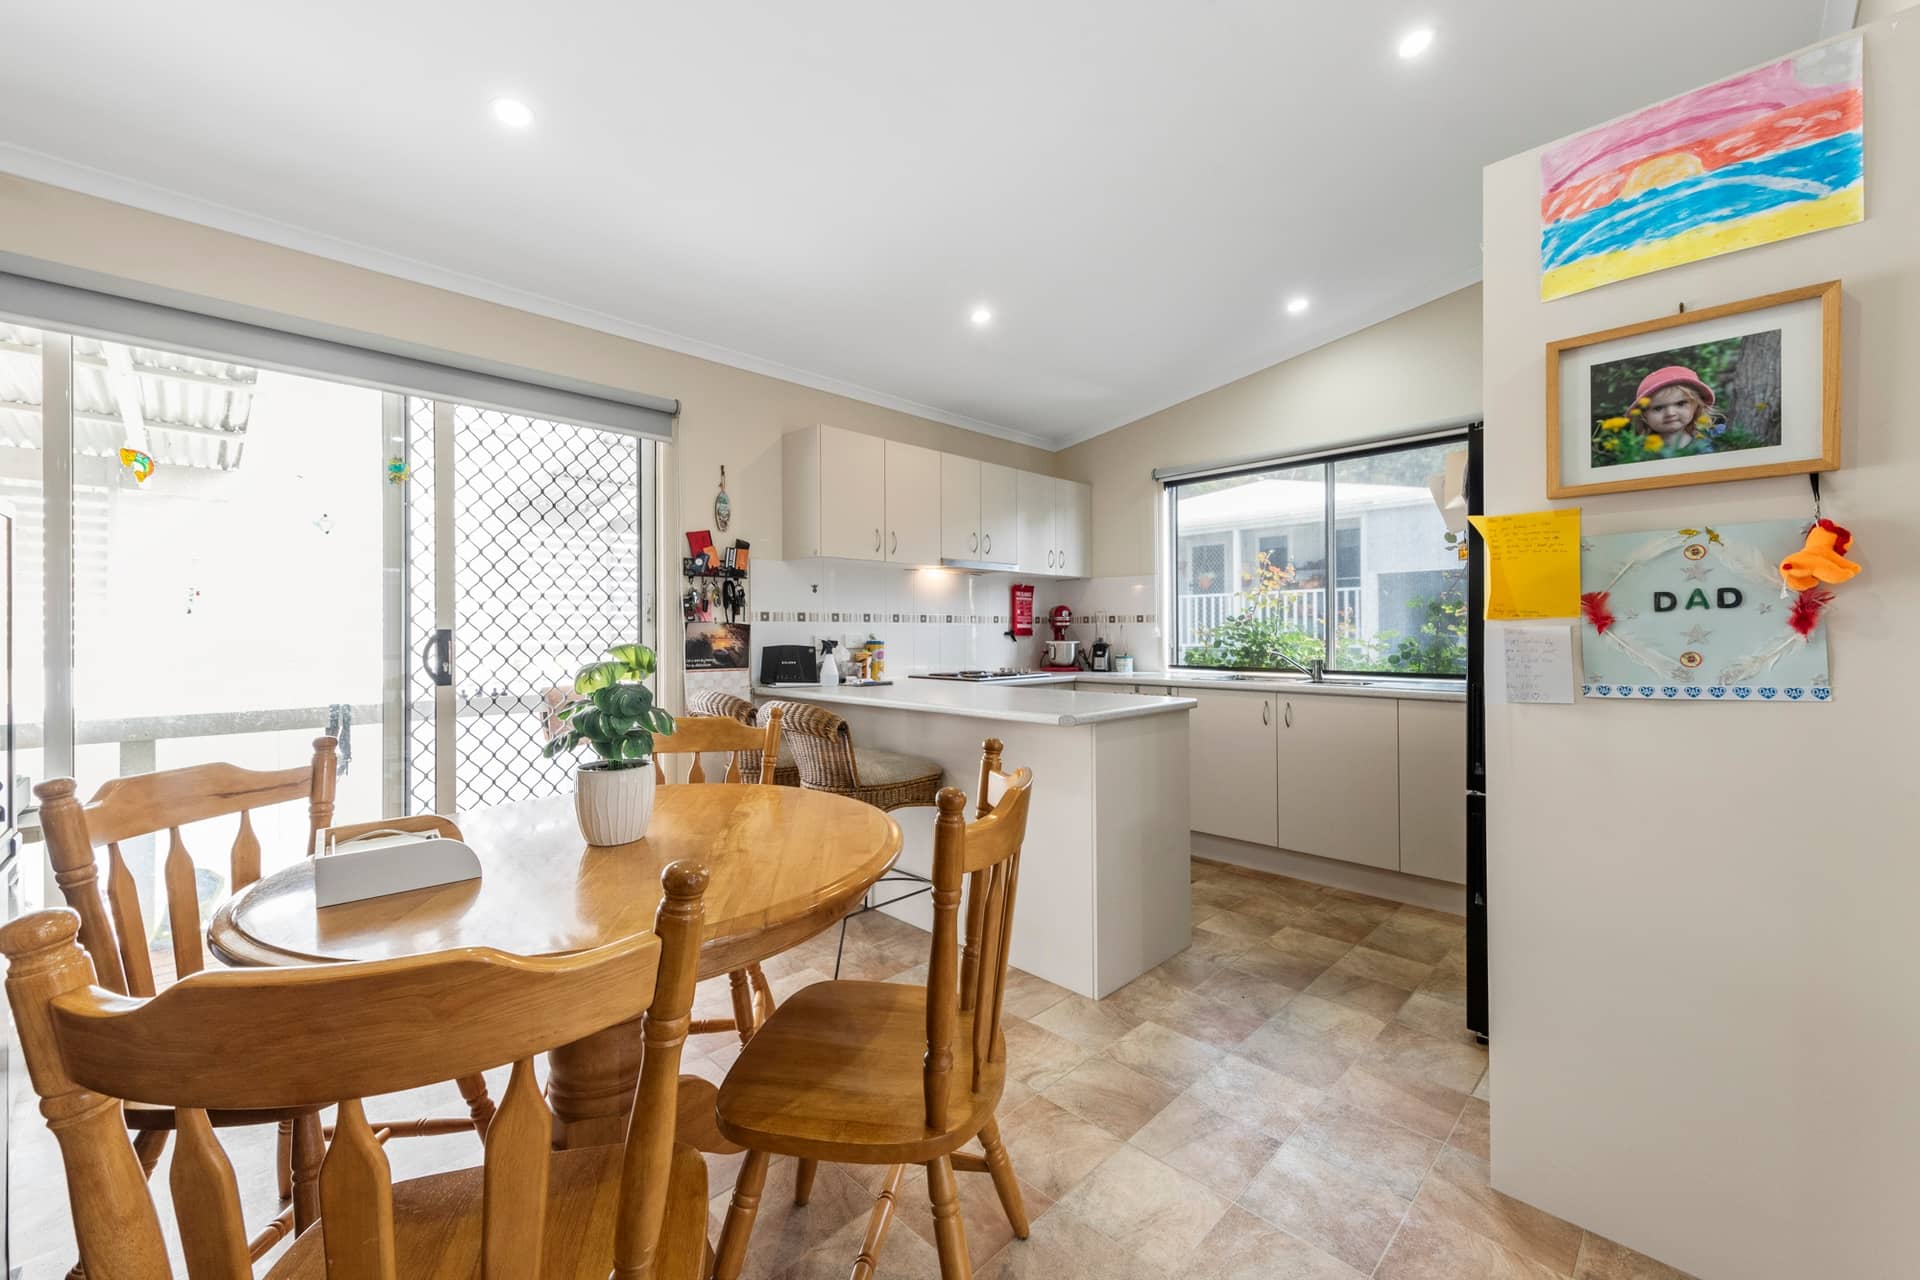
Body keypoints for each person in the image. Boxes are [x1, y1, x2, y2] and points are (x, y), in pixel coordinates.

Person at [1627, 365, 1716, 453]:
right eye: (1658, 408)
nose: (1670, 413)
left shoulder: (1713, 440)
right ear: (1644, 415)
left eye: (1680, 404)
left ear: (1696, 405)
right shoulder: (1640, 454)